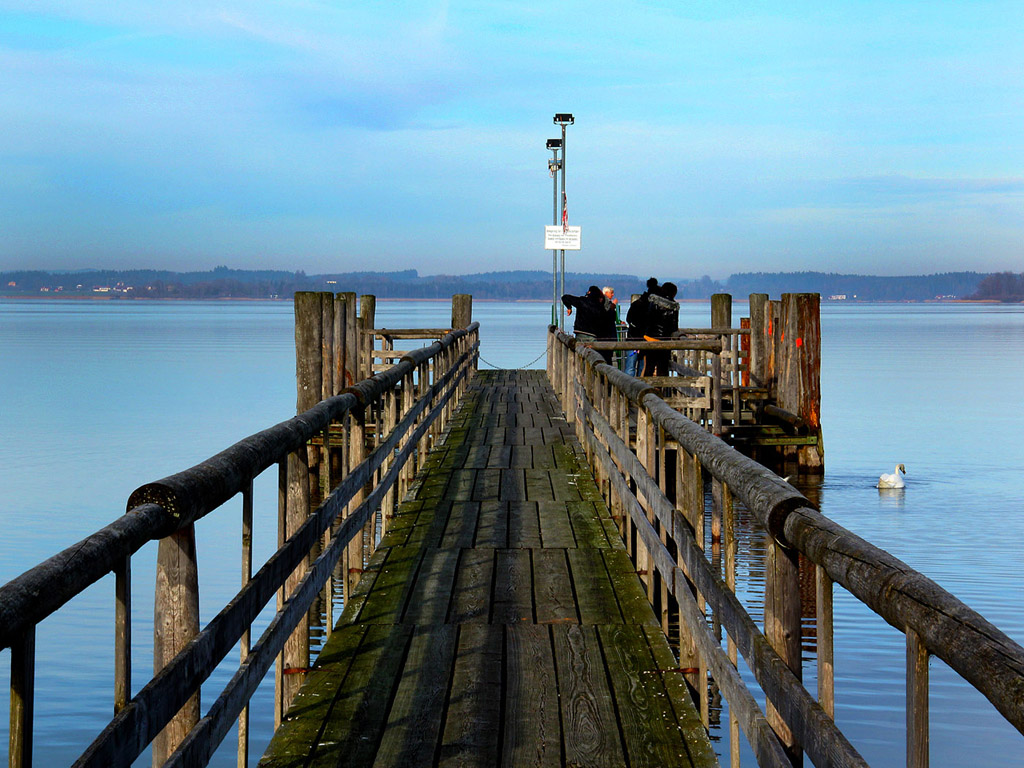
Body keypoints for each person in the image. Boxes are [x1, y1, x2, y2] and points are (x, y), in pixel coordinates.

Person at [561, 285, 616, 363]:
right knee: (594, 356)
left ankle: (581, 370)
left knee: (579, 354)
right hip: (592, 335)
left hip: (580, 333)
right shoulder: (599, 306)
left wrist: (569, 308)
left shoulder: (581, 301)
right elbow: (606, 319)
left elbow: (565, 297)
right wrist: (612, 309)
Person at [640, 281, 679, 376]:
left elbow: (647, 319)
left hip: (650, 338)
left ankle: (646, 387)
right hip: (664, 340)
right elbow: (674, 326)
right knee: (663, 367)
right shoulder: (674, 306)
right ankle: (662, 388)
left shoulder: (653, 302)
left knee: (649, 366)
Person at [625, 277, 658, 376]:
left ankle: (628, 387)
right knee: (642, 367)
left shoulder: (637, 304)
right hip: (646, 340)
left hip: (633, 338)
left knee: (630, 367)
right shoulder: (654, 305)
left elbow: (628, 319)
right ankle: (640, 387)